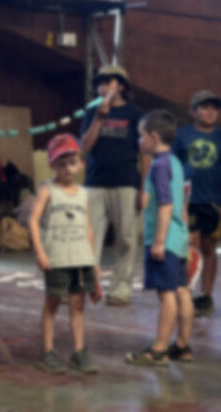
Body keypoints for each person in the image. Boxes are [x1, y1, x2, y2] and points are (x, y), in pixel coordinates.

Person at [28, 133, 101, 375]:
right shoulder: (48, 190)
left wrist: (93, 260)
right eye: (61, 163)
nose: (67, 168)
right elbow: (33, 220)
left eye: (72, 162)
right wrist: (40, 252)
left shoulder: (83, 194)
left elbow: (88, 228)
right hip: (57, 259)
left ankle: (79, 351)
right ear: (52, 165)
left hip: (81, 259)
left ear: (81, 163)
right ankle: (47, 352)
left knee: (78, 305)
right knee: (52, 303)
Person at [126, 110, 193, 366]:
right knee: (181, 291)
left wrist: (158, 241)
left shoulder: (159, 165)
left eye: (141, 136)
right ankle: (183, 346)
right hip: (179, 237)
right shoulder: (174, 162)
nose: (139, 141)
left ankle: (159, 349)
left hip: (165, 239)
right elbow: (181, 204)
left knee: (166, 295)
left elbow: (166, 205)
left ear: (153, 137)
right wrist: (182, 236)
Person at [80, 65, 148, 306]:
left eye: (110, 82)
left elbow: (145, 153)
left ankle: (120, 289)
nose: (104, 87)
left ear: (121, 86)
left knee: (126, 239)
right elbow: (84, 147)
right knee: (89, 238)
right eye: (101, 82)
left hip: (126, 182)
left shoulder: (135, 114)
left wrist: (144, 188)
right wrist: (99, 116)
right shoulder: (91, 112)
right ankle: (85, 286)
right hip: (95, 182)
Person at [171, 90, 221, 316]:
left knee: (209, 247)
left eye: (214, 108)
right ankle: (186, 290)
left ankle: (205, 295)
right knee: (189, 246)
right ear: (192, 111)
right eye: (204, 107)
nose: (209, 112)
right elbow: (173, 166)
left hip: (213, 200)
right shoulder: (182, 135)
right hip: (188, 200)